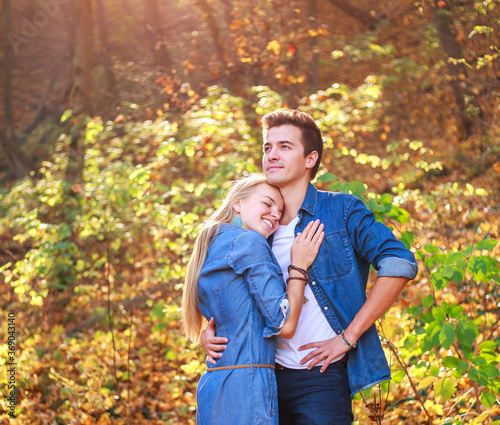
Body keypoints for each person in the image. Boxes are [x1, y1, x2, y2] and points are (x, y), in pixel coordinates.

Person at [201, 109, 418, 424]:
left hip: (321, 379)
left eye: (285, 147)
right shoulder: (258, 227)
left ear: (310, 159)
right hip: (262, 378)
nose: (272, 155)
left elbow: (399, 263)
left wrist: (348, 337)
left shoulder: (340, 211)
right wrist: (211, 330)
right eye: (267, 147)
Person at [182, 174, 325, 425]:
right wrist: (299, 267)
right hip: (248, 385)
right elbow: (285, 324)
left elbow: (227, 314)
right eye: (267, 204)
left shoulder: (211, 245)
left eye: (279, 211)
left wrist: (207, 334)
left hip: (214, 383)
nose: (275, 215)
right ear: (238, 203)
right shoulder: (250, 242)